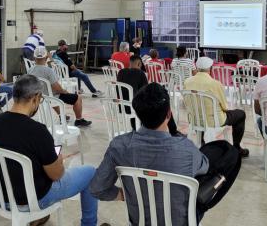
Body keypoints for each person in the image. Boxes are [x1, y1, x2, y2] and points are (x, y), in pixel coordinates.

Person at [0, 75, 99, 226]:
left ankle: (37, 218)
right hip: (34, 199)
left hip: (2, 198)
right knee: (90, 172)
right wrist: (59, 161)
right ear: (35, 98)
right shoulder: (38, 131)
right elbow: (57, 175)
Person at [89, 83, 211, 225]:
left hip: (139, 221)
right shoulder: (186, 149)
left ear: (139, 114)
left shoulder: (119, 146)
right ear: (169, 114)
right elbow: (205, 166)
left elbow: (97, 189)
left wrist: (124, 195)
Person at [183, 57, 249, 157]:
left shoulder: (187, 81)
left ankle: (201, 141)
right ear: (210, 68)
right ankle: (237, 147)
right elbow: (225, 107)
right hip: (214, 121)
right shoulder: (215, 84)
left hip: (194, 119)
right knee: (240, 114)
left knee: (199, 112)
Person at [117, 55, 181, 135]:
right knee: (163, 104)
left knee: (136, 99)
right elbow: (147, 92)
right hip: (136, 108)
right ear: (139, 64)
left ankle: (135, 128)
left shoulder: (121, 72)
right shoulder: (140, 73)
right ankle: (173, 131)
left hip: (122, 105)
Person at [29, 46, 92, 127]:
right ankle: (79, 120)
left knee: (52, 95)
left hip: (39, 97)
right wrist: (64, 91)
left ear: (34, 57)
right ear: (46, 57)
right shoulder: (48, 71)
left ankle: (62, 116)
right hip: (51, 97)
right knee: (77, 98)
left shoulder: (30, 70)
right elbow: (56, 87)